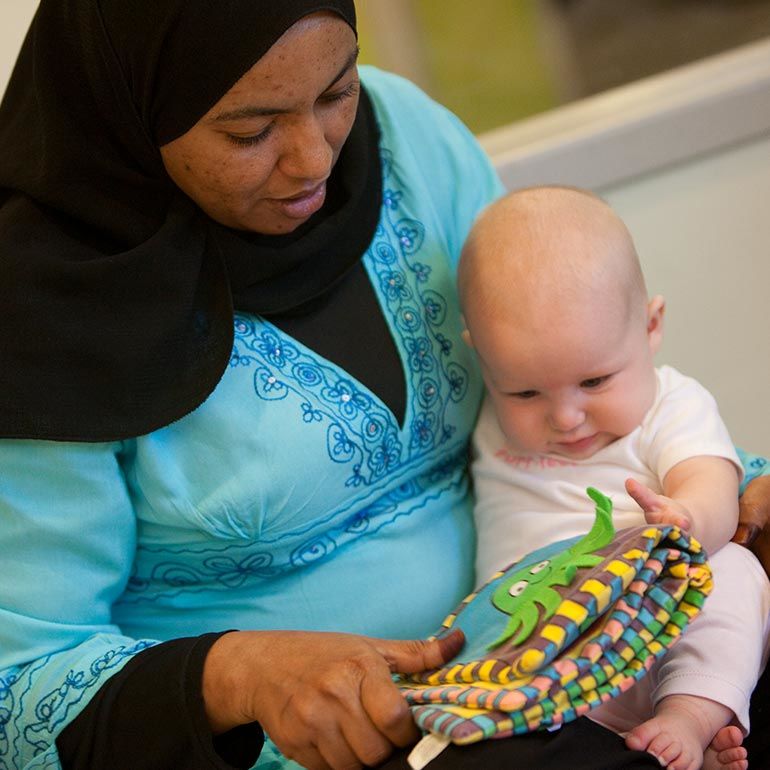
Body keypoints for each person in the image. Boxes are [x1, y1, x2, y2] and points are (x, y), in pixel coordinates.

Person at [0, 2, 768, 769]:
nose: (313, 161)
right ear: (132, 104)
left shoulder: (405, 138)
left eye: (337, 93)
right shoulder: (39, 313)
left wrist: (727, 487)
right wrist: (236, 674)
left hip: (563, 648)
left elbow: (556, 357)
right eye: (251, 131)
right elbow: (18, 693)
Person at [458, 185, 770, 770]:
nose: (566, 417)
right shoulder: (490, 418)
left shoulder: (672, 404)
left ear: (651, 327)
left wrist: (687, 520)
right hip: (545, 645)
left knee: (735, 570)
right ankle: (667, 749)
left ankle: (690, 714)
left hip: (661, 602)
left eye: (595, 382)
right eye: (524, 391)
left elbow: (712, 486)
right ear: (483, 363)